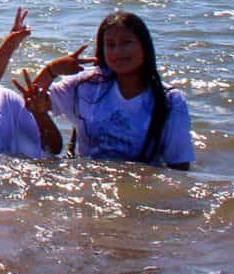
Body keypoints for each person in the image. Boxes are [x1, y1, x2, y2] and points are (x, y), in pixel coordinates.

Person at [34, 12, 193, 169]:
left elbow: (179, 166)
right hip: (86, 181)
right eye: (110, 45)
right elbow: (30, 102)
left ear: (144, 46)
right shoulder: (86, 84)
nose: (117, 51)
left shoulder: (170, 100)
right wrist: (51, 70)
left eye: (126, 42)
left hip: (140, 183)